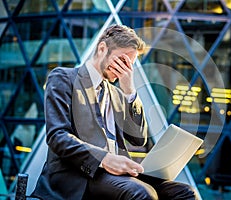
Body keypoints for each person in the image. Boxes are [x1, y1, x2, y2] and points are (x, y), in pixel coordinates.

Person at [32, 24, 199, 200]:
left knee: (186, 193)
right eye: (121, 61)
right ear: (102, 48)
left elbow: (138, 138)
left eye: (130, 64)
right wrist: (105, 159)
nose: (125, 69)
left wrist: (129, 92)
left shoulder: (117, 94)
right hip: (80, 174)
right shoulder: (64, 78)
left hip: (117, 175)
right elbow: (58, 136)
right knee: (142, 193)